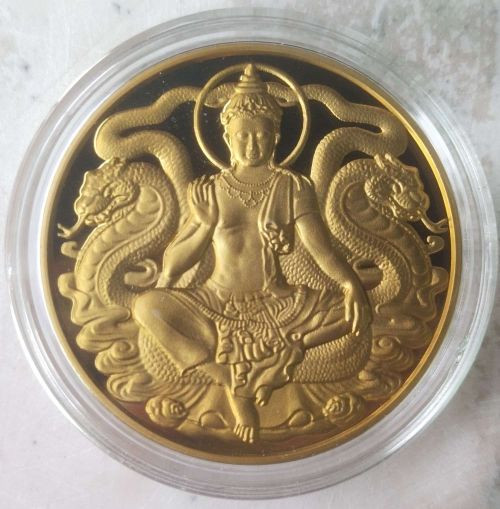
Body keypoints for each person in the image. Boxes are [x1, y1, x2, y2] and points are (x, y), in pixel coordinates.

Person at [133, 64, 371, 443]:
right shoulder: (209, 189)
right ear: (227, 137)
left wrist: (349, 284)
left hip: (275, 302)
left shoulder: (293, 186)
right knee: (146, 306)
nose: (252, 144)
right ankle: (220, 372)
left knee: (354, 311)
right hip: (214, 299)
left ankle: (289, 351)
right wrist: (205, 224)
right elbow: (177, 262)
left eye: (261, 135)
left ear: (276, 136)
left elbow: (320, 249)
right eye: (243, 135)